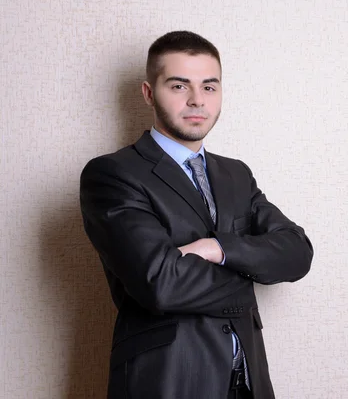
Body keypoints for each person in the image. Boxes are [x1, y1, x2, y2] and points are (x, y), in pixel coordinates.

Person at [79, 30, 313, 399]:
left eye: (209, 86)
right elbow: (161, 284)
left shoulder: (235, 173)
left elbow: (298, 253)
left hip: (248, 383)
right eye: (178, 86)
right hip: (169, 380)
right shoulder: (112, 174)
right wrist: (252, 274)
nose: (196, 100)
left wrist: (216, 249)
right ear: (148, 92)